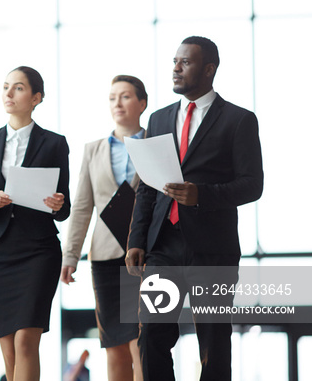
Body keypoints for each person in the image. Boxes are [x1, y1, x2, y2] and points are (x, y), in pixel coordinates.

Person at [125, 36, 264, 381]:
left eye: (185, 62)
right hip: (162, 248)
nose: (175, 68)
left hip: (212, 250)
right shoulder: (157, 120)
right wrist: (136, 240)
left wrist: (201, 195)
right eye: (174, 61)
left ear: (209, 69)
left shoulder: (238, 120)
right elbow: (147, 188)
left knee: (213, 343)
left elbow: (252, 185)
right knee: (152, 337)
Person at [0, 66, 71, 381]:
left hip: (39, 249)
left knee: (26, 340)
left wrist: (57, 204)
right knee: (8, 346)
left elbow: (63, 209)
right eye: (6, 87)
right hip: (1, 250)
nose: (9, 93)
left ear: (36, 98)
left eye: (19, 88)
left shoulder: (54, 143)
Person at [60, 75, 147, 381]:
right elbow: (83, 206)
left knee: (144, 342)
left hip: (147, 257)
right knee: (115, 346)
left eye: (125, 96)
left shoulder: (157, 145)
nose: (117, 103)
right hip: (106, 257)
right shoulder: (93, 150)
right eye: (112, 98)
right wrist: (70, 256)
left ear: (142, 103)